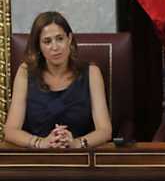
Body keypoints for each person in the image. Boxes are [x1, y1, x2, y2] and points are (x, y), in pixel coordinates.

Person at [3, 11, 112, 149]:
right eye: (47, 41)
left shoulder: (92, 73)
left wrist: (76, 143)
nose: (55, 47)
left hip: (80, 156)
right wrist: (41, 143)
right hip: (38, 156)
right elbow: (10, 130)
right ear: (39, 45)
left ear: (69, 39)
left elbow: (105, 131)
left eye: (60, 39)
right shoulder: (25, 72)